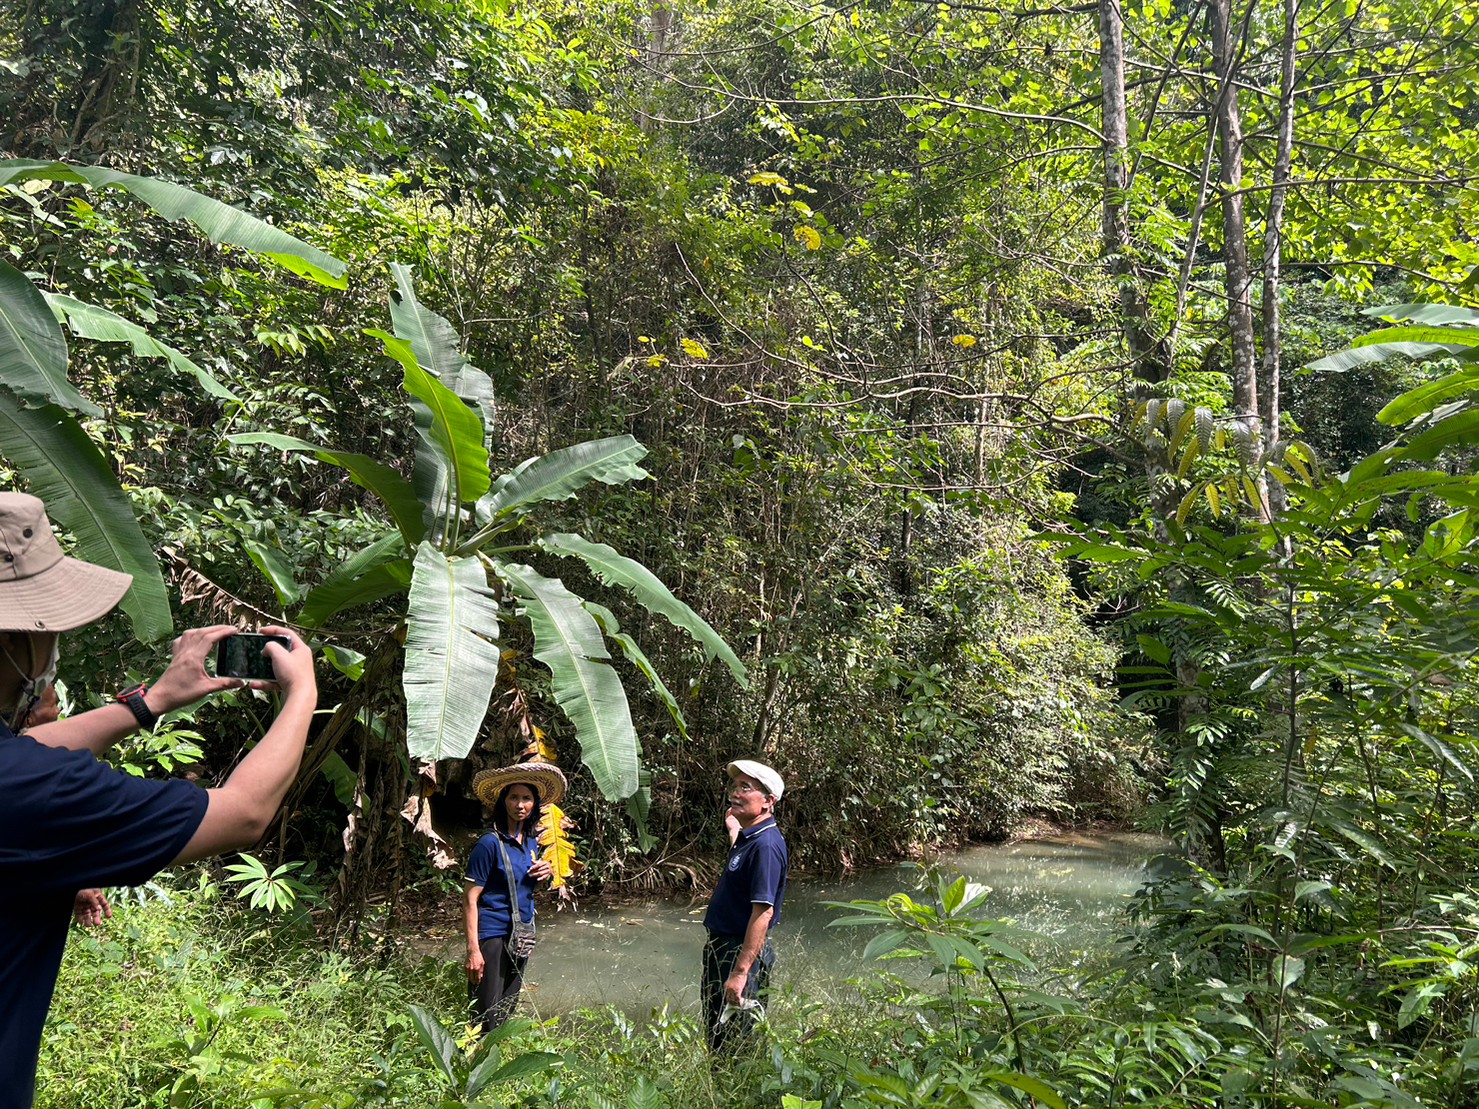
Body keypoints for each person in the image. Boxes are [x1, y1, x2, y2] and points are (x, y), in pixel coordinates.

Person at [0, 491, 318, 1108]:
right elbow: (243, 814)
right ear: (12, 642)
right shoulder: (37, 790)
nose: (53, 642)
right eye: (46, 627)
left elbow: (25, 750)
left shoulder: (21, 777)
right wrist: (301, 694)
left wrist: (153, 702)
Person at [463, 761, 566, 1034]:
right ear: (503, 801)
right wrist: (473, 950)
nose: (520, 805)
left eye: (527, 798)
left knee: (506, 1009)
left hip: (521, 935)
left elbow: (521, 886)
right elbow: (470, 900)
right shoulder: (488, 844)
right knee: (485, 1014)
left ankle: (497, 1057)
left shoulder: (531, 843)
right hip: (493, 935)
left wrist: (545, 872)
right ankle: (474, 1058)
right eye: (514, 797)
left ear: (534, 803)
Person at [701, 758, 789, 1052]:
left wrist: (740, 973)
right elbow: (742, 867)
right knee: (717, 1033)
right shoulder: (750, 838)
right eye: (734, 786)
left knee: (736, 1041)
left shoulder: (766, 846)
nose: (735, 793)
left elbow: (763, 912)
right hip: (724, 949)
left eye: (746, 788)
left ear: (768, 801)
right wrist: (733, 829)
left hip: (740, 952)